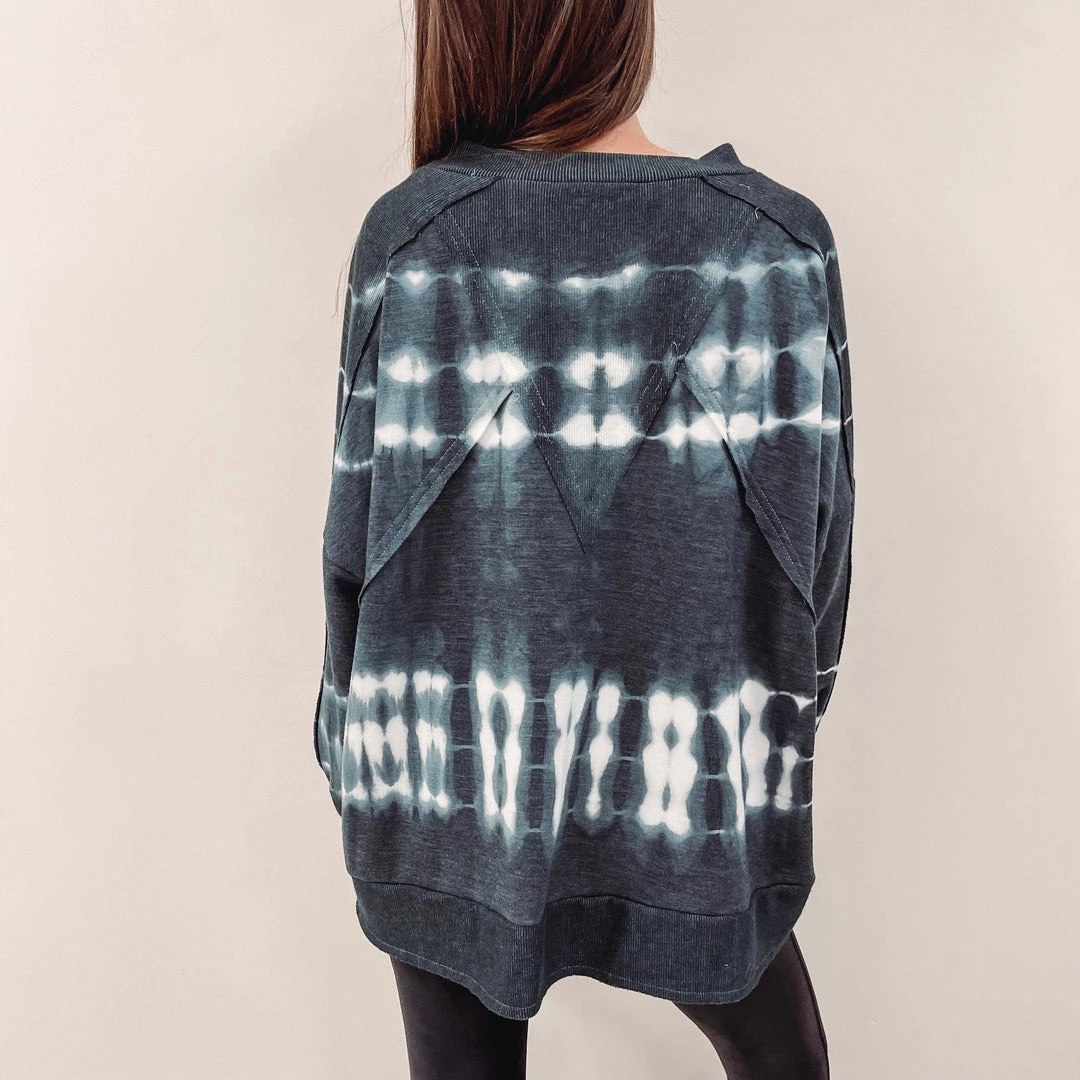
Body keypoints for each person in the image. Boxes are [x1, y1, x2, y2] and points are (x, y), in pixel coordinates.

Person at [313, 1, 855, 1076]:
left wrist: (346, 744)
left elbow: (355, 545)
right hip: (701, 781)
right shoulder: (779, 247)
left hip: (446, 780)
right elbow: (819, 561)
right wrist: (779, 729)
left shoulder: (413, 239)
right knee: (784, 1058)